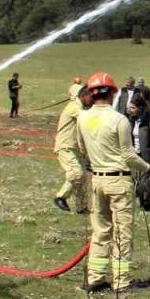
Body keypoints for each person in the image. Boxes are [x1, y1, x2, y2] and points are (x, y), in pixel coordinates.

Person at [76, 72, 150, 294]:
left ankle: (95, 280)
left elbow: (82, 148)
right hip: (118, 181)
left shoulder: (82, 118)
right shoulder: (119, 120)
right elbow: (128, 155)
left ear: (91, 93)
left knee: (100, 232)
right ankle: (121, 282)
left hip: (96, 180)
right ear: (112, 93)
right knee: (122, 234)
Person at [53, 84, 94, 213]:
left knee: (82, 178)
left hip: (74, 148)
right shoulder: (74, 107)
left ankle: (82, 207)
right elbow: (89, 120)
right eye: (91, 97)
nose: (92, 101)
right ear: (83, 96)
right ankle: (60, 197)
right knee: (76, 173)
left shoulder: (80, 107)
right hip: (65, 146)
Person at [127, 94, 150, 212]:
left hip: (147, 154)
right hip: (135, 154)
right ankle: (141, 203)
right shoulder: (132, 120)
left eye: (133, 108)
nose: (130, 110)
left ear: (140, 108)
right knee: (136, 179)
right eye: (130, 108)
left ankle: (147, 206)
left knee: (145, 180)